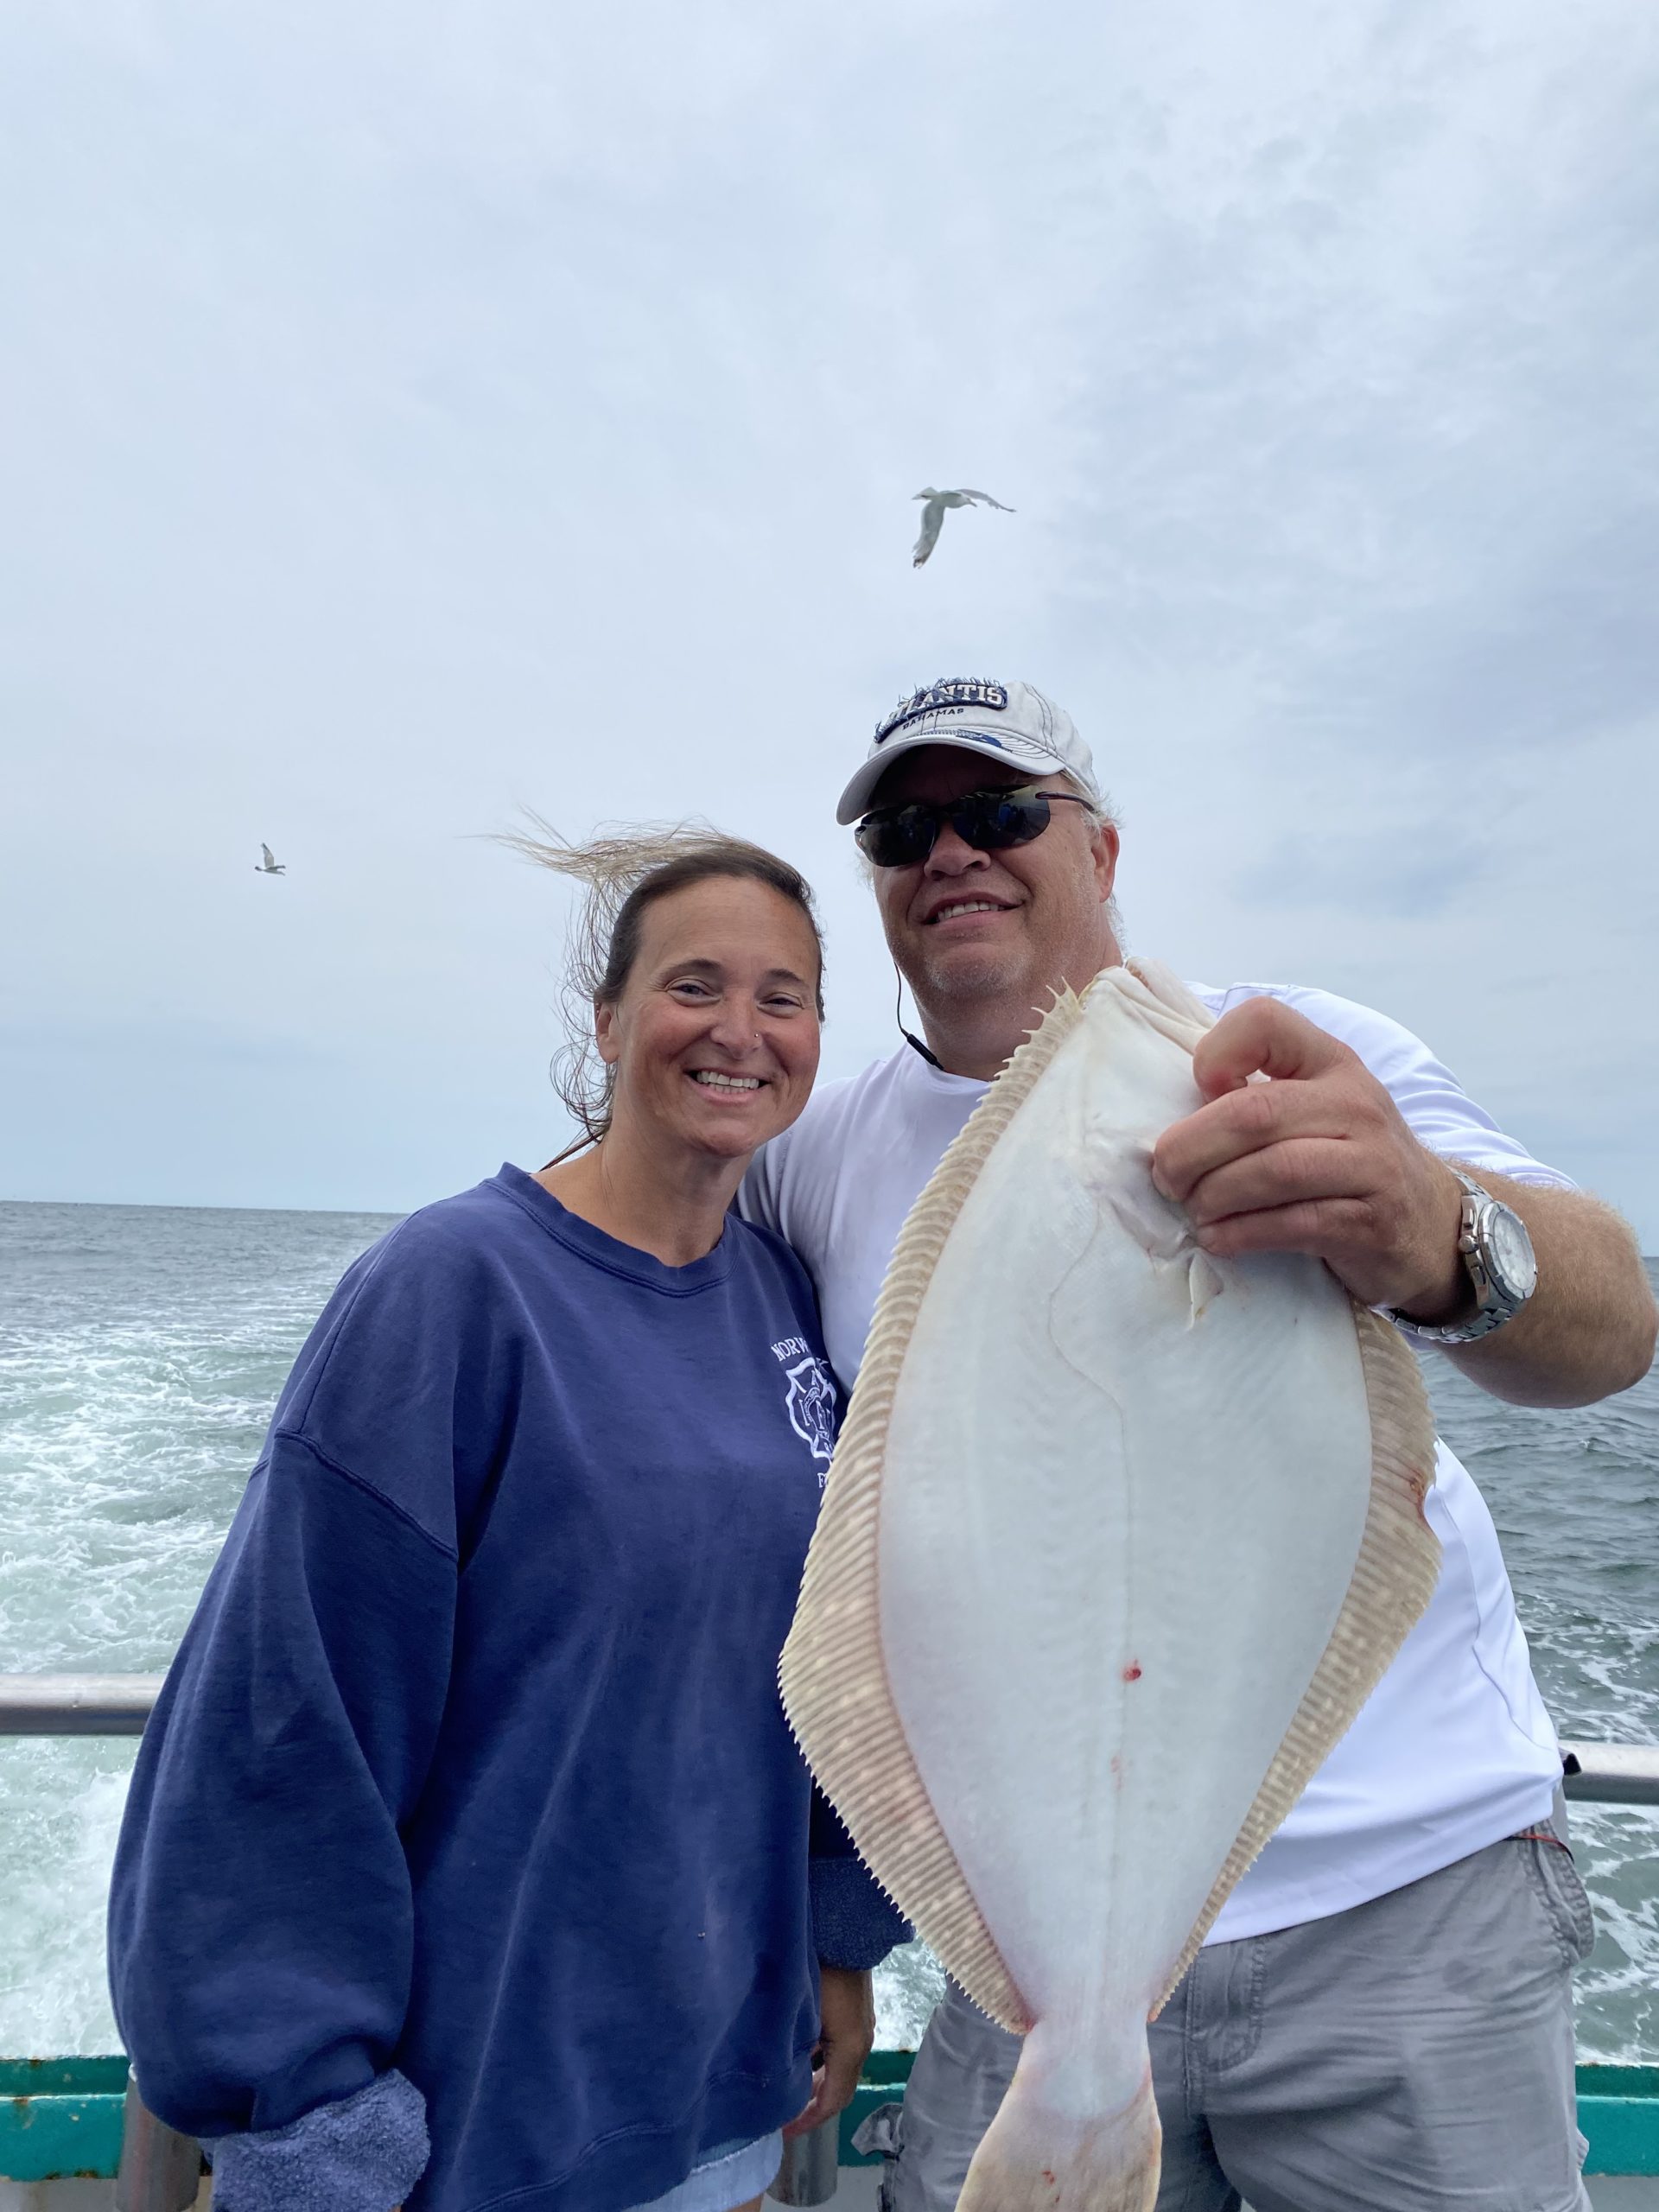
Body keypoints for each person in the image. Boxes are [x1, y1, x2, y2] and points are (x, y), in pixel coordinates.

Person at [739, 679, 1659, 2212]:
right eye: (908, 829)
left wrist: (1434, 1229)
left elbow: (1619, 1323)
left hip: (1405, 1910)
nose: (955, 851)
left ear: (1102, 851)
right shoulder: (813, 1159)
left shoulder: (1301, 1058)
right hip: (1028, 1947)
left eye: (1005, 812)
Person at [108, 830, 907, 2212]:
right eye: (694, 985)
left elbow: (827, 1661)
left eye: (784, 997)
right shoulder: (455, 1289)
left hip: (719, 2106)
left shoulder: (782, 1300)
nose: (740, 1030)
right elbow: (285, 1720)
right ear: (606, 1021)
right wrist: (307, 2124)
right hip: (478, 2134)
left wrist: (836, 1932)